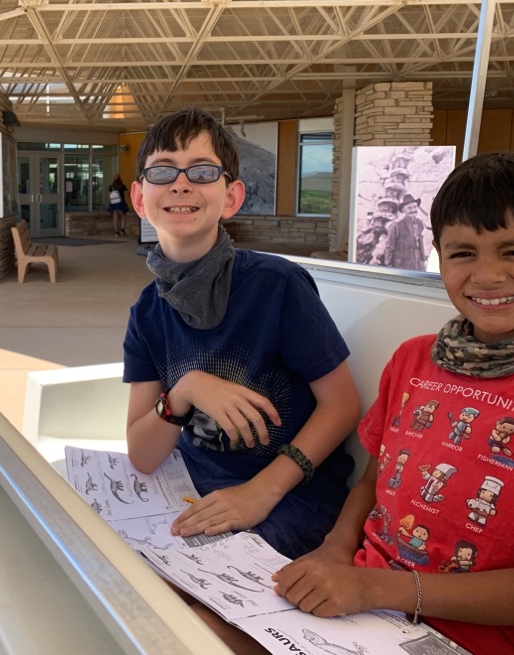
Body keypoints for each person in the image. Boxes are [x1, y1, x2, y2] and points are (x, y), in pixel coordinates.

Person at [273, 150, 514, 655]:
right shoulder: (413, 359)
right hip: (366, 600)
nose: (487, 275)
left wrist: (371, 588)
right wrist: (334, 550)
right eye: (463, 253)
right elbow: (374, 481)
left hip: (470, 638)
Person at [122, 108, 361, 651]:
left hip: (290, 494)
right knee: (120, 591)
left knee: (195, 632)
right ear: (139, 197)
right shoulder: (147, 312)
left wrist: (262, 490)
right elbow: (142, 452)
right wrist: (184, 390)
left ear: (230, 197)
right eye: (163, 170)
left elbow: (342, 405)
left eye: (202, 171)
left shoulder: (277, 285)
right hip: (192, 489)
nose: (181, 183)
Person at [383, 193, 427, 270]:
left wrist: (423, 259)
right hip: (402, 266)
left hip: (419, 264)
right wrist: (389, 268)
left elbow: (420, 243)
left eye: (415, 207)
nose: (413, 210)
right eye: (409, 208)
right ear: (403, 210)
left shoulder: (419, 223)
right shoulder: (396, 226)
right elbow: (389, 248)